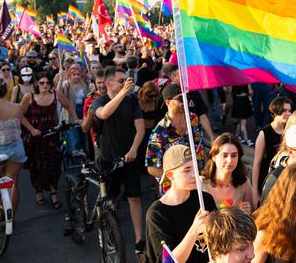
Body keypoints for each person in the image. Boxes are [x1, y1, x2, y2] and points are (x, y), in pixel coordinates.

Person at [91, 66, 146, 256]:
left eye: (126, 80)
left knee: (134, 197)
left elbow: (140, 128)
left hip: (129, 157)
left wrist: (133, 149)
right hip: (109, 158)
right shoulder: (99, 100)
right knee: (110, 199)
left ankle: (139, 239)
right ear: (109, 83)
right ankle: (110, 229)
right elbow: (104, 114)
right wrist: (123, 92)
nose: (125, 83)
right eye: (121, 80)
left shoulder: (132, 101)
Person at [144, 144, 216, 263]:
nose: (194, 175)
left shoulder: (205, 199)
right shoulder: (157, 214)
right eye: (187, 170)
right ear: (170, 175)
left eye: (195, 168)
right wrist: (194, 230)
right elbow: (168, 261)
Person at [0, 77, 40, 216]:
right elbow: (22, 120)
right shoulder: (16, 108)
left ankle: (0, 210)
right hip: (15, 148)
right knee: (12, 181)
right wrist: (32, 129)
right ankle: (10, 217)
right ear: (6, 91)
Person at [20, 72, 79, 208]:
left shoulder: (56, 94)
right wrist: (31, 129)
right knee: (37, 166)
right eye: (41, 83)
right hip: (35, 137)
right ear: (37, 84)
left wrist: (75, 119)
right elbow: (20, 116)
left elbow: (68, 105)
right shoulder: (29, 97)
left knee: (54, 165)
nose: (45, 85)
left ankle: (54, 193)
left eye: (47, 83)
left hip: (52, 134)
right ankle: (39, 192)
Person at [146, 82, 205, 180]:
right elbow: (152, 168)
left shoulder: (193, 119)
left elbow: (200, 149)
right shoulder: (159, 132)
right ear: (168, 102)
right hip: (177, 188)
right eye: (181, 99)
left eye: (187, 97)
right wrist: (178, 180)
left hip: (199, 180)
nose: (185, 101)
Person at [251, 97, 291, 204]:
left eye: (289, 110)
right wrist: (254, 192)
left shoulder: (290, 131)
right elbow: (257, 164)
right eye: (284, 110)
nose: (288, 113)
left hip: (285, 181)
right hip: (268, 180)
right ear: (275, 111)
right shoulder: (264, 133)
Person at [202, 133, 253, 212]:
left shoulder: (244, 183)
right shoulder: (201, 185)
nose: (229, 161)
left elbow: (253, 217)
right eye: (224, 155)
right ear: (214, 157)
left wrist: (247, 214)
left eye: (234, 155)